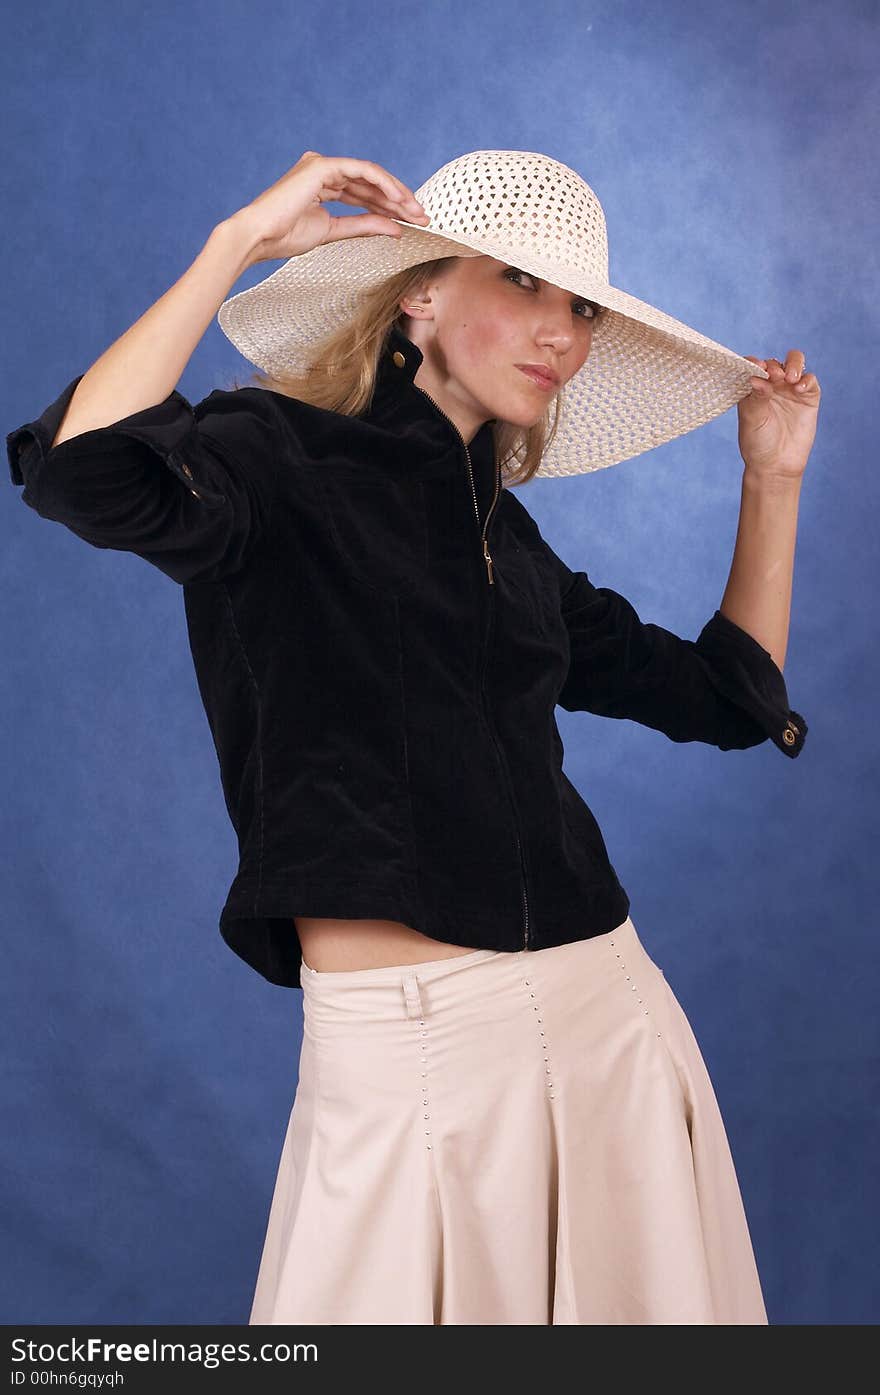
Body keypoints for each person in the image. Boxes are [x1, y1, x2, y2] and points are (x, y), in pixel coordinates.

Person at [6, 148, 818, 1325]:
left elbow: (727, 699)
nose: (562, 332)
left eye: (580, 306)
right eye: (524, 285)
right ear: (418, 292)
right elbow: (83, 472)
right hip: (409, 1052)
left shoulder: (511, 536)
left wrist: (772, 478)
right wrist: (238, 238)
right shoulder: (268, 453)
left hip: (608, 1020)